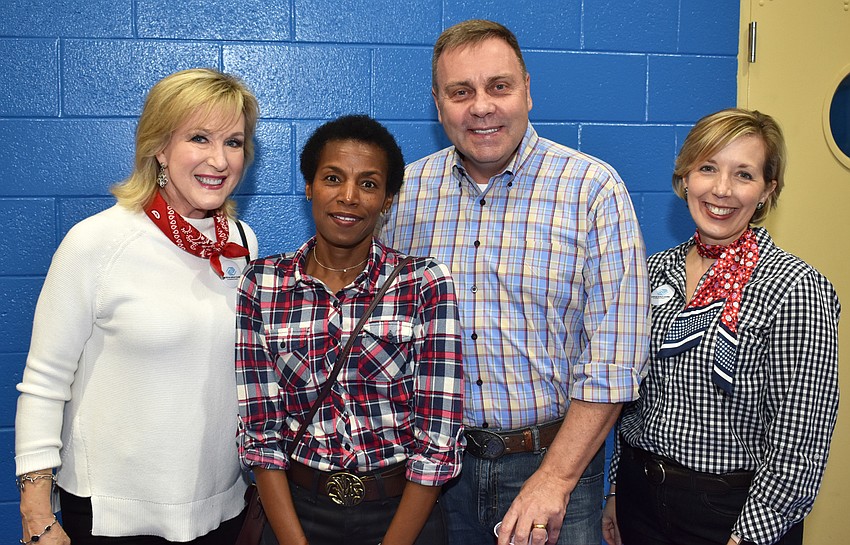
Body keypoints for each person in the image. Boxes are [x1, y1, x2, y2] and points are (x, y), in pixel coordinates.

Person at [380, 19, 650, 545]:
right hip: (433, 474)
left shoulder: (592, 190)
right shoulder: (403, 195)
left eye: (498, 86)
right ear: (439, 105)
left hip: (555, 472)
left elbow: (616, 359)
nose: (481, 106)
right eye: (461, 92)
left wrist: (555, 478)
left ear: (528, 89)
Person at [15, 68, 260, 545]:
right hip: (115, 516)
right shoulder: (97, 242)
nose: (219, 159)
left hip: (222, 507)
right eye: (199, 137)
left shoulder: (241, 242)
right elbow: (44, 382)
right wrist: (36, 513)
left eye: (234, 142)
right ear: (159, 148)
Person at [602, 108, 840, 545]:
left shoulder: (794, 288)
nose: (722, 189)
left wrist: (748, 536)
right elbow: (633, 399)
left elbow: (799, 441)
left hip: (733, 514)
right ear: (686, 177)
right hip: (641, 498)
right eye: (708, 167)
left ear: (767, 190)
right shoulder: (653, 272)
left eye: (744, 174)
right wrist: (617, 488)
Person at [235, 114, 464, 545]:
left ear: (388, 199)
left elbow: (438, 437)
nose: (348, 196)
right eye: (333, 177)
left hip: (403, 516)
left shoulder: (424, 282)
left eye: (369, 184)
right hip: (295, 513)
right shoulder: (262, 283)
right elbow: (261, 433)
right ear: (309, 186)